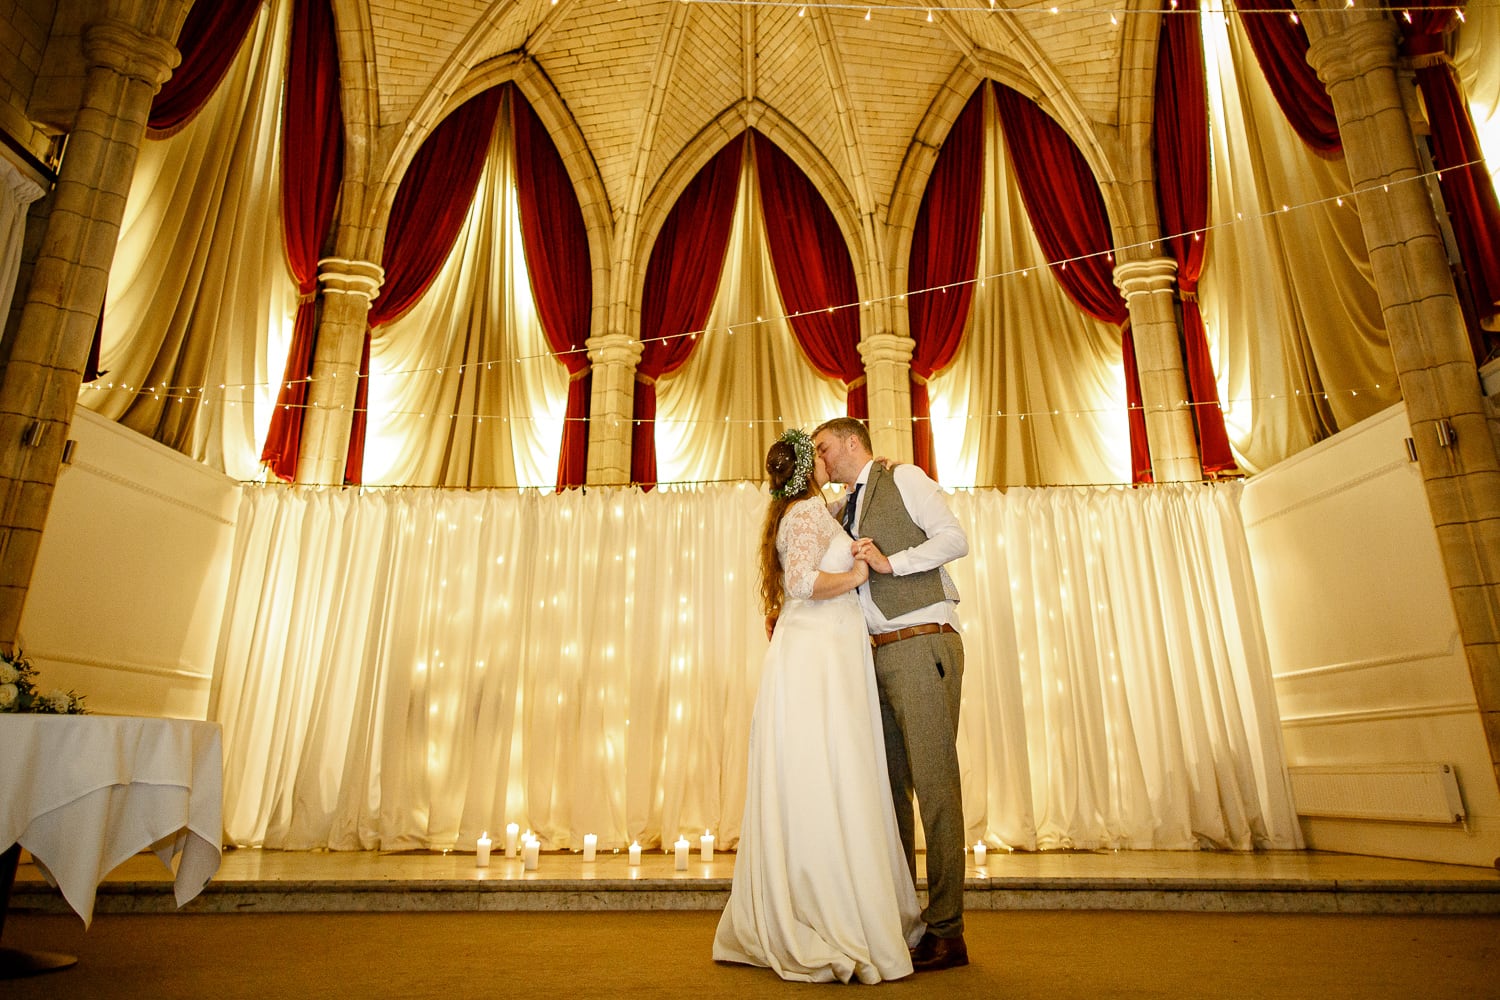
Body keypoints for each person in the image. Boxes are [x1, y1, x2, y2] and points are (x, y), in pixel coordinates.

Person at [713, 428, 924, 984]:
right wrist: (857, 573)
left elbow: (823, 532)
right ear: (810, 466)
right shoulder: (806, 515)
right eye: (822, 453)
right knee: (828, 770)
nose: (831, 458)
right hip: (817, 660)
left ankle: (834, 896)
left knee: (829, 770)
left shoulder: (808, 510)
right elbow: (805, 580)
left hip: (819, 653)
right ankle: (830, 907)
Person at [812, 416, 971, 972]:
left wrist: (892, 563)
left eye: (825, 448)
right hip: (874, 658)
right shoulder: (843, 508)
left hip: (921, 642)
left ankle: (949, 930)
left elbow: (956, 539)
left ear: (852, 442)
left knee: (935, 785)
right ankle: (906, 921)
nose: (822, 460)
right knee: (890, 795)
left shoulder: (904, 478)